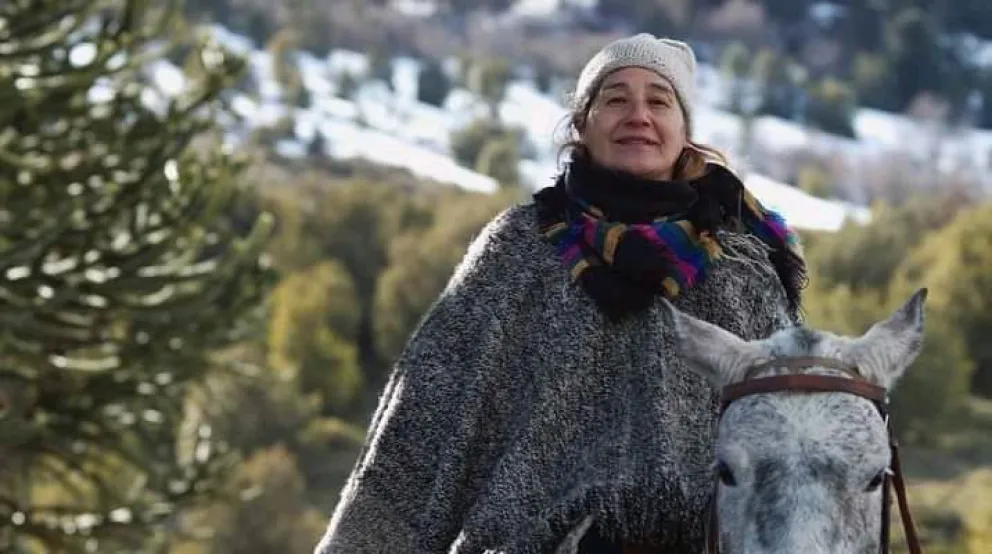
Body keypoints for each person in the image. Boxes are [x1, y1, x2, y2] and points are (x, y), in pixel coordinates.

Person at [314, 33, 807, 554]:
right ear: (582, 124)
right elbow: (424, 420)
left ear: (684, 131)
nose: (638, 115)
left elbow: (795, 445)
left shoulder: (741, 266)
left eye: (659, 101)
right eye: (615, 99)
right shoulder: (518, 249)